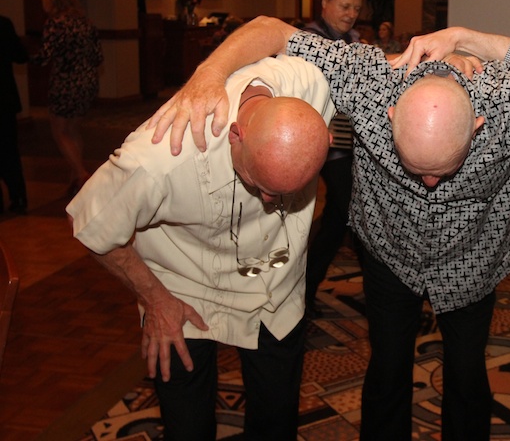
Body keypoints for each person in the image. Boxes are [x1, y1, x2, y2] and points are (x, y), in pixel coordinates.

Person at [147, 18, 510, 441]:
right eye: (418, 169)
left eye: (446, 169)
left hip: (474, 259)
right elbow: (269, 30)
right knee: (387, 365)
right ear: (387, 117)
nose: (433, 185)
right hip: (387, 252)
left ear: (481, 124)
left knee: (467, 373)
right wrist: (206, 75)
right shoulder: (368, 81)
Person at [67, 54, 335, 441]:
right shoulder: (161, 154)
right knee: (187, 427)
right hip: (181, 286)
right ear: (235, 135)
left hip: (275, 283)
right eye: (258, 184)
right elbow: (88, 222)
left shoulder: (310, 83)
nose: (268, 201)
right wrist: (155, 299)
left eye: (283, 193)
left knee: (277, 423)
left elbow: (269, 28)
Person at [301, 0, 364, 313]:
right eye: (345, 5)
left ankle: (305, 291)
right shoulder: (310, 41)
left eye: (356, 8)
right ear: (324, 3)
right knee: (350, 213)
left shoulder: (353, 41)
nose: (351, 13)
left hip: (347, 143)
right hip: (322, 143)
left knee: (339, 219)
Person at [34, 0, 104, 196]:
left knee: (59, 131)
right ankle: (75, 179)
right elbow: (98, 56)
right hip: (87, 81)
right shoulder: (86, 22)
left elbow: (44, 57)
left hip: (65, 83)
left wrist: (25, 56)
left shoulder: (55, 23)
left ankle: (82, 174)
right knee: (73, 129)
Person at [0, 15, 29, 214]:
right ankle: (18, 197)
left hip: (4, 99)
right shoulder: (3, 24)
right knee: (9, 149)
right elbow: (20, 55)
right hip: (3, 99)